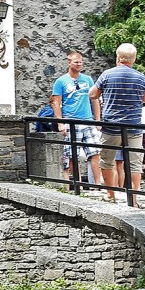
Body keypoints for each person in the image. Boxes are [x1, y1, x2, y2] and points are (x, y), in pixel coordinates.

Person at [89, 43, 145, 206]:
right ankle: (134, 199)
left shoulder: (107, 74)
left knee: (106, 160)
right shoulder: (140, 77)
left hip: (112, 126)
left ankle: (111, 194)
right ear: (134, 59)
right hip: (134, 127)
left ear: (118, 57)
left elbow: (93, 94)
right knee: (135, 163)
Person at [51, 50, 103, 188]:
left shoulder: (87, 79)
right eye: (76, 61)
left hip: (88, 120)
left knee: (94, 153)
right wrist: (60, 123)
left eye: (80, 62)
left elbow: (95, 100)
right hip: (71, 121)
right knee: (73, 155)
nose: (79, 64)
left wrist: (97, 119)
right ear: (69, 62)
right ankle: (78, 183)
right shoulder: (61, 81)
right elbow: (56, 103)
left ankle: (97, 184)